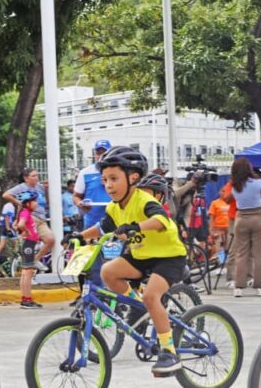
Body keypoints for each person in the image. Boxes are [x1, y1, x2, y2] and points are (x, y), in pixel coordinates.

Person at [80, 146, 187, 375]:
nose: (108, 185)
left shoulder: (144, 200)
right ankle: (138, 305)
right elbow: (102, 227)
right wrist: (78, 237)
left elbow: (160, 220)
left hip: (168, 257)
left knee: (151, 295)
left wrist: (135, 227)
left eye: (114, 179)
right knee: (108, 272)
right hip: (141, 256)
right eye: (104, 180)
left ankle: (169, 352)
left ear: (133, 177)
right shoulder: (114, 207)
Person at [228, 158, 261, 297]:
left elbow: (227, 199)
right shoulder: (259, 183)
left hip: (241, 218)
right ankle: (260, 286)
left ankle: (238, 286)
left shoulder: (235, 186)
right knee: (259, 254)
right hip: (258, 217)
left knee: (241, 253)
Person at [4, 168, 54, 270]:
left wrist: (47, 189)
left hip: (41, 218)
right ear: (26, 178)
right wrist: (19, 203)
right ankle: (26, 263)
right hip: (30, 217)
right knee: (30, 242)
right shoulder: (22, 187)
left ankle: (35, 260)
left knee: (50, 240)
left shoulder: (40, 187)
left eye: (37, 175)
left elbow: (47, 201)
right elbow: (6, 195)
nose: (36, 178)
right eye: (33, 176)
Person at [73, 139, 113, 231]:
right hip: (92, 223)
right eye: (98, 153)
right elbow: (76, 196)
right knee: (91, 245)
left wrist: (109, 183)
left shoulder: (119, 172)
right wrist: (80, 204)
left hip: (115, 221)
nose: (101, 156)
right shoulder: (85, 173)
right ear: (94, 154)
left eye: (105, 153)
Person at [15, 190, 42, 309]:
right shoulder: (25, 212)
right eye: (34, 201)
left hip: (28, 244)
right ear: (27, 203)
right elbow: (20, 225)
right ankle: (27, 299)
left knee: (25, 272)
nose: (36, 203)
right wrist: (27, 231)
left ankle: (25, 298)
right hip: (28, 244)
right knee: (27, 273)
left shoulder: (24, 212)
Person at [208, 194, 230, 259]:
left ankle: (230, 263)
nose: (224, 193)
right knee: (219, 247)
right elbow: (211, 218)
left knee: (229, 246)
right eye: (222, 191)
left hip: (229, 228)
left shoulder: (231, 202)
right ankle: (222, 262)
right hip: (218, 229)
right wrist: (211, 230)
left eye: (225, 191)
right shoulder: (214, 203)